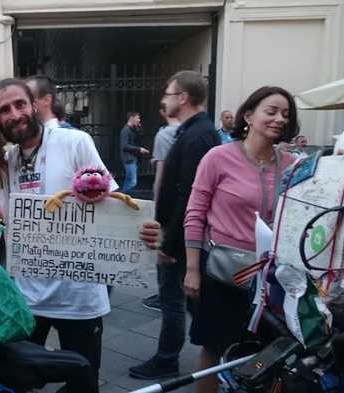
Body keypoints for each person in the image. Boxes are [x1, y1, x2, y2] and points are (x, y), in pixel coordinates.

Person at [0, 77, 161, 393]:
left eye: (19, 104)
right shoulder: (7, 161)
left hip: (79, 298)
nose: (14, 114)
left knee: (83, 382)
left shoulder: (74, 142)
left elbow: (111, 200)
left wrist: (141, 230)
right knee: (18, 382)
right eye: (4, 110)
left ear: (34, 104)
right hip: (28, 298)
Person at [184, 86, 298, 393]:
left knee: (269, 351)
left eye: (285, 114)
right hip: (224, 271)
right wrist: (192, 268)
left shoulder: (292, 164)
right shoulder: (218, 157)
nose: (279, 119)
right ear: (248, 115)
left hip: (273, 278)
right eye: (271, 111)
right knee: (214, 348)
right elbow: (195, 213)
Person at [129, 70, 218, 380]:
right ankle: (207, 344)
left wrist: (171, 243)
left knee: (173, 300)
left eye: (168, 94)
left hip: (180, 237)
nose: (163, 101)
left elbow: (191, 194)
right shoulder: (195, 131)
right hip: (180, 233)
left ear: (183, 98)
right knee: (182, 299)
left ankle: (168, 358)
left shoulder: (197, 134)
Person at [140, 105, 181, 313]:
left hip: (168, 205)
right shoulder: (197, 131)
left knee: (163, 255)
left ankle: (164, 297)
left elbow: (161, 178)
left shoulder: (165, 135)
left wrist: (156, 209)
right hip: (186, 205)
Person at [119, 111, 149, 194]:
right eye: (137, 118)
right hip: (128, 159)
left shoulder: (133, 129)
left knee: (130, 180)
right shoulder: (125, 130)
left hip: (133, 158)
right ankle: (123, 196)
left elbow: (141, 137)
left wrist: (139, 128)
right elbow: (124, 146)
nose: (139, 120)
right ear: (131, 118)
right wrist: (139, 149)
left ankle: (124, 196)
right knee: (132, 181)